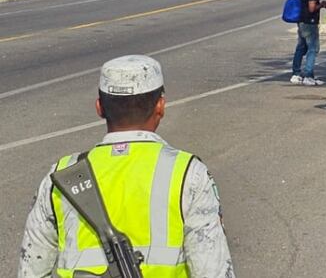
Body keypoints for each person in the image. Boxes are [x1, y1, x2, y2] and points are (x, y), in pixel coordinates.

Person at [18, 55, 234, 278]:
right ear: (160, 106)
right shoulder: (188, 174)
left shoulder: (62, 176)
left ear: (100, 108)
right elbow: (213, 270)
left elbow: (30, 270)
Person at [291, 0, 326, 86]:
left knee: (301, 47)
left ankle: (296, 73)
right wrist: (322, 5)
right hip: (309, 22)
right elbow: (312, 8)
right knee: (313, 48)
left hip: (301, 21)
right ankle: (308, 75)